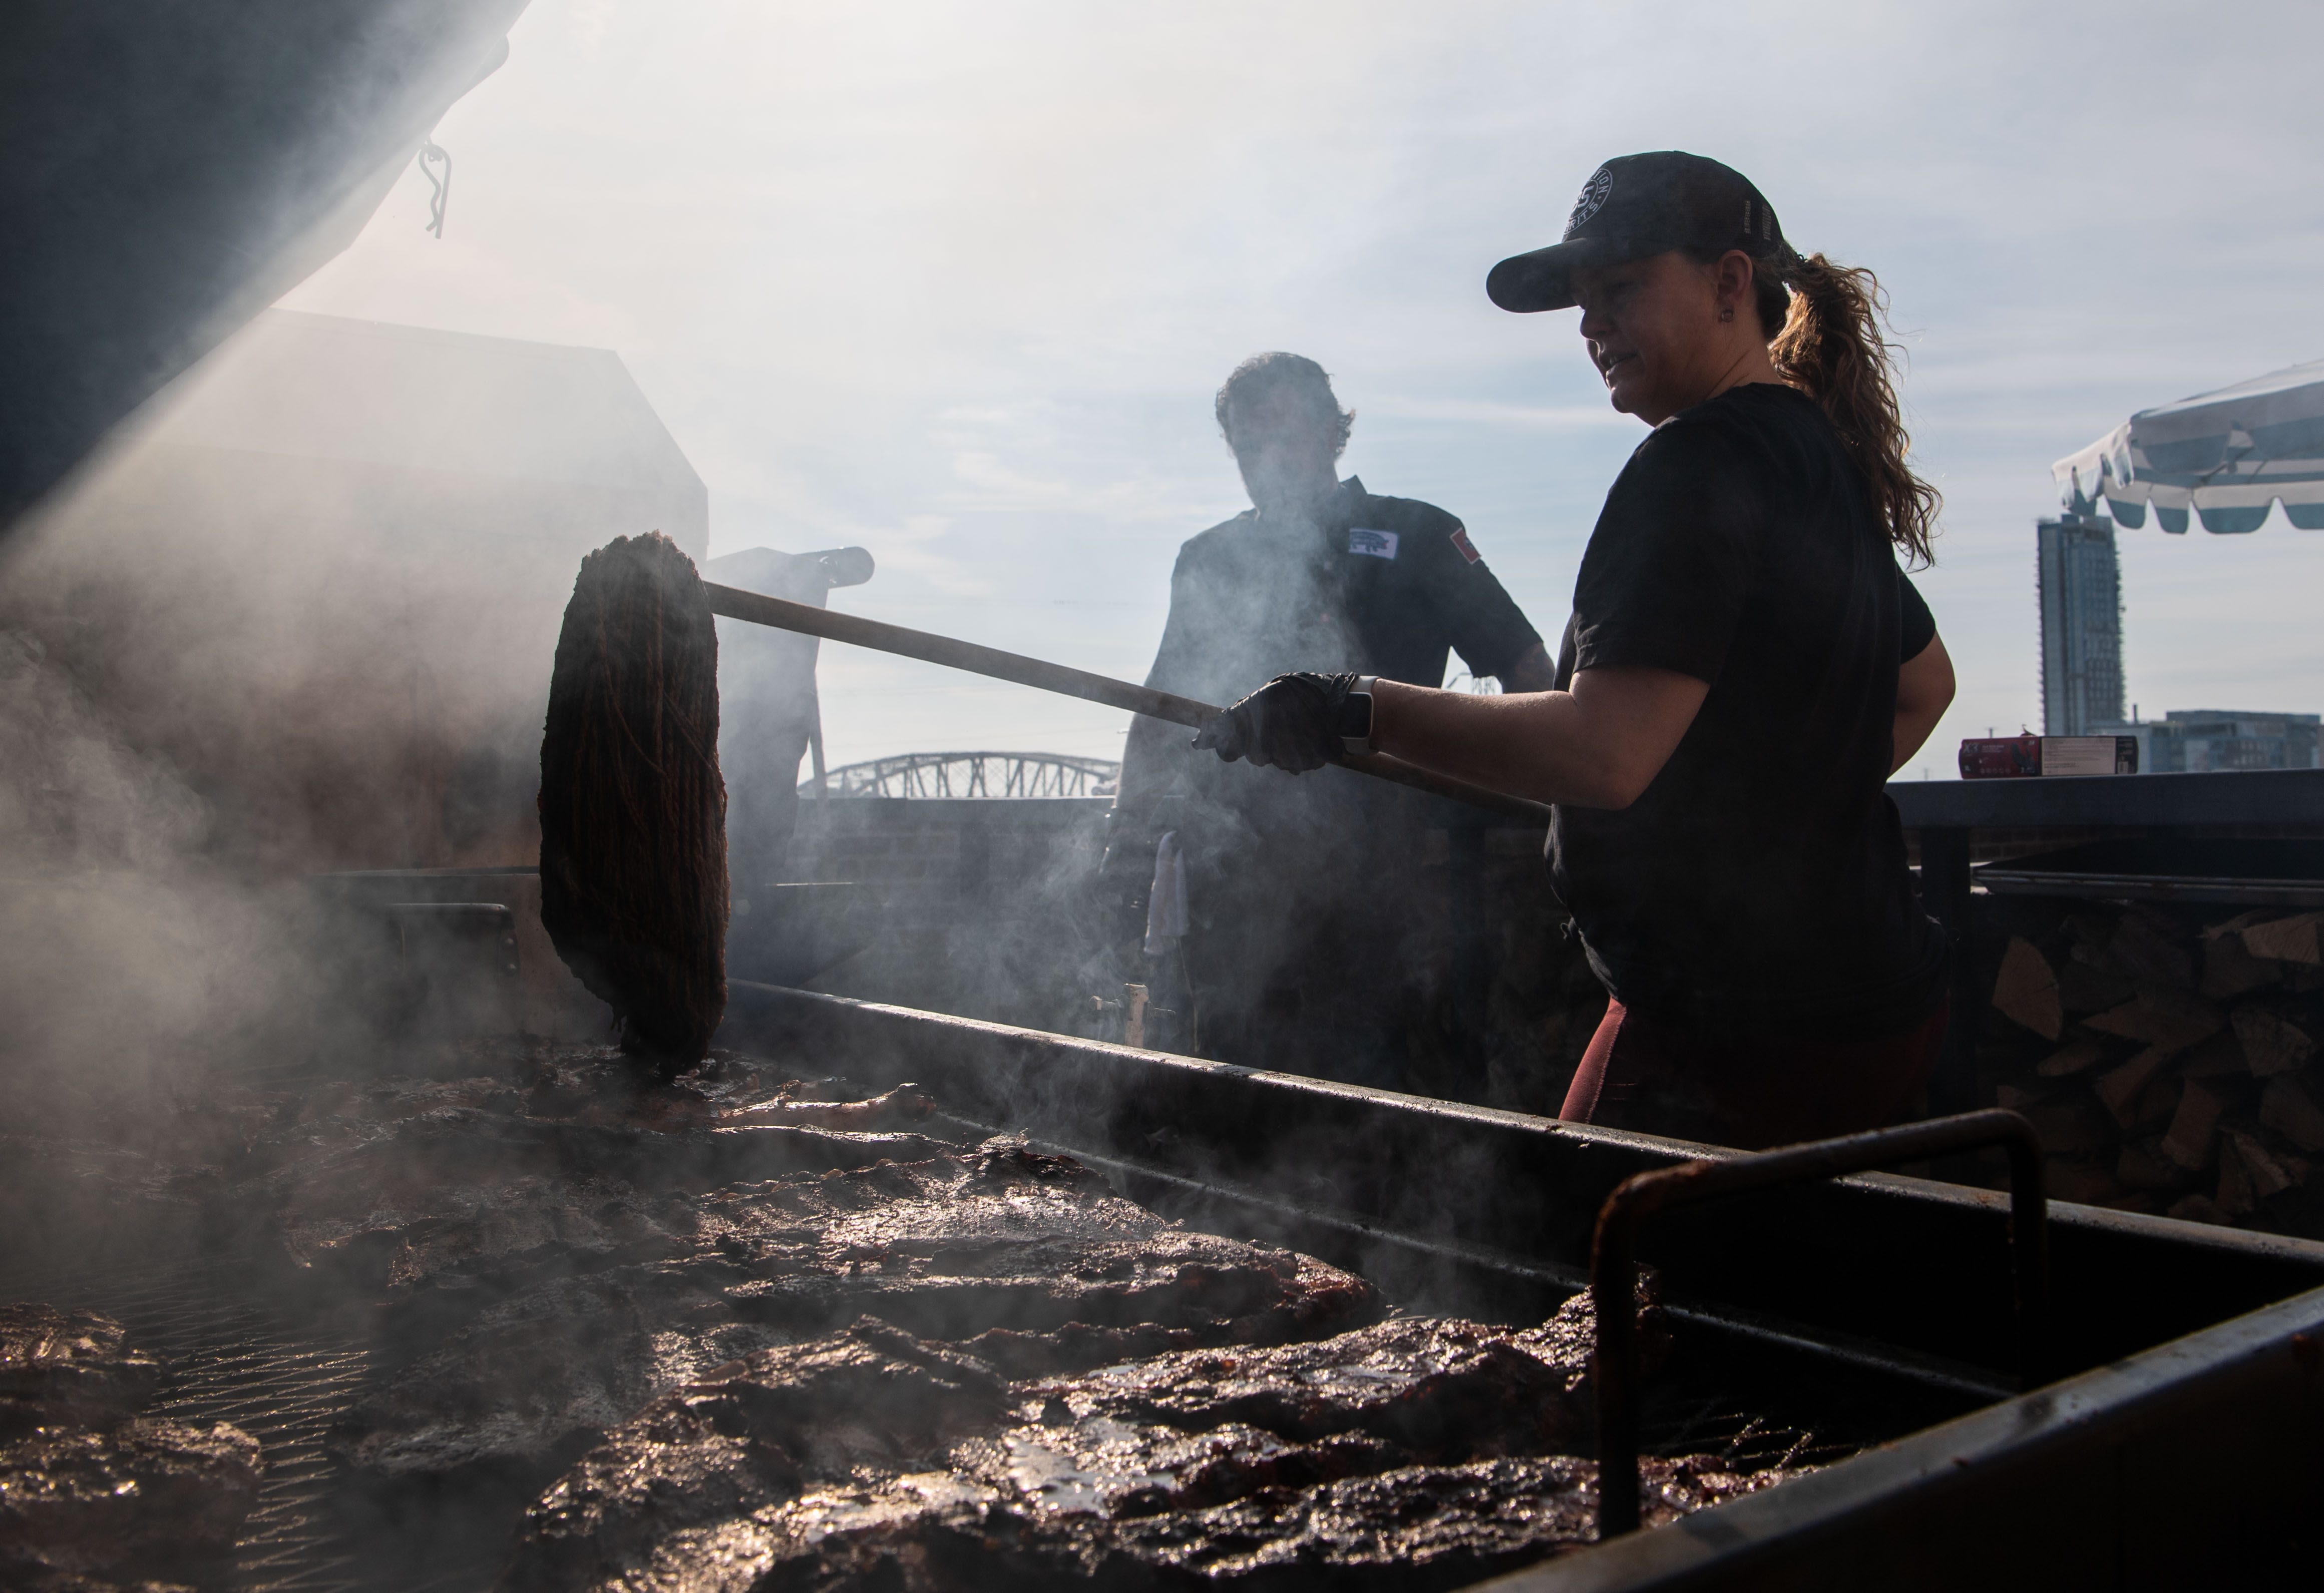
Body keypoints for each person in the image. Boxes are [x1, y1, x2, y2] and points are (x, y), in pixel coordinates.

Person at [1191, 153, 1956, 1149]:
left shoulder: (1692, 468)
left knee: (1585, 1278)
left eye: (1621, 288)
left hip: (1730, 1026)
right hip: (1868, 997)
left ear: (1729, 283)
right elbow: (1922, 689)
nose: (1592, 326)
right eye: (1583, 304)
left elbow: (1602, 752)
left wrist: (1348, 703)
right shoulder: (1813, 458)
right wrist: (1762, 811)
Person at [1105, 352, 1553, 1084]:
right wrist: (1121, 838)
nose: (1267, 459)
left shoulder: (1418, 535)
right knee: (1234, 1082)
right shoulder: (1208, 558)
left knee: (1389, 1082)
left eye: (1284, 435)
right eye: (1249, 445)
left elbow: (1532, 677)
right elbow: (1158, 712)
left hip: (1391, 875)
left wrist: (1504, 801)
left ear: (1331, 433)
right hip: (1237, 875)